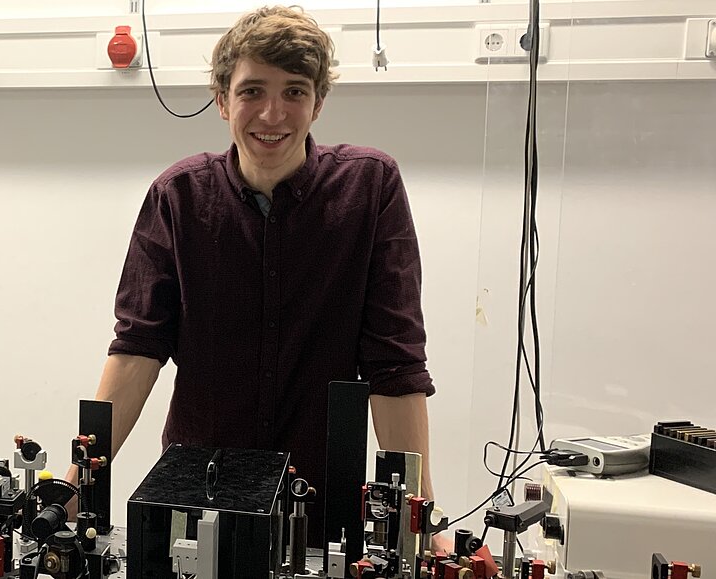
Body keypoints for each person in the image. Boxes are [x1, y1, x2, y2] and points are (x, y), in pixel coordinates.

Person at [82, 5, 449, 551]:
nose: (272, 114)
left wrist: (421, 522)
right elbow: (138, 348)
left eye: (294, 91)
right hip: (199, 499)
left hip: (318, 508)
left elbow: (394, 366)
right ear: (222, 99)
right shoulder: (178, 197)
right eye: (252, 91)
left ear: (318, 102)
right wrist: (77, 483)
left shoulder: (370, 189)